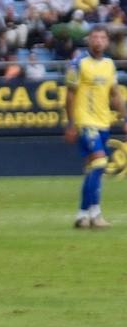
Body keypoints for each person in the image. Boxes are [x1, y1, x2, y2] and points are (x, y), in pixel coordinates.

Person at [65, 26, 125, 229]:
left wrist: (125, 118)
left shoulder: (109, 64)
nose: (98, 41)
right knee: (100, 163)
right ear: (89, 40)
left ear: (107, 42)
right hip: (85, 122)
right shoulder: (78, 63)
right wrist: (71, 123)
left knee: (93, 168)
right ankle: (96, 213)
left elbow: (115, 94)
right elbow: (70, 94)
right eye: (95, 37)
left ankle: (82, 215)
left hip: (103, 122)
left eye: (102, 37)